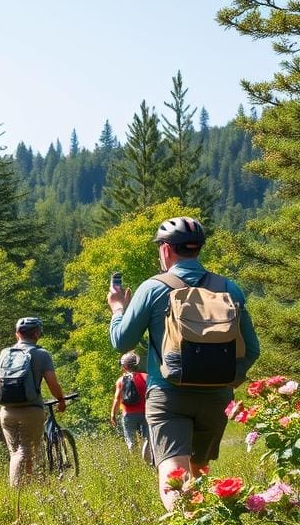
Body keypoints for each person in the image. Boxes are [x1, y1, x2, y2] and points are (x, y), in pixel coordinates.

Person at [107, 217, 260, 509]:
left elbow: (121, 342)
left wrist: (117, 309)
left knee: (173, 473)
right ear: (198, 248)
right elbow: (252, 349)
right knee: (199, 472)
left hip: (168, 395)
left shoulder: (153, 288)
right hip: (217, 398)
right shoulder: (230, 288)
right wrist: (227, 379)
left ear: (165, 250)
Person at [0, 317, 67, 486]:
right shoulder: (41, 354)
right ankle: (17, 493)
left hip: (6, 411)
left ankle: (27, 489)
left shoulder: (5, 353)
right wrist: (61, 400)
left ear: (17, 334)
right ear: (37, 334)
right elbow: (52, 382)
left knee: (17, 452)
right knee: (25, 451)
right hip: (31, 411)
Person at [110, 351, 151, 462]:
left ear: (124, 367)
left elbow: (117, 398)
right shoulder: (146, 377)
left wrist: (113, 414)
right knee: (148, 438)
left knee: (131, 439)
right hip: (145, 413)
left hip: (128, 414)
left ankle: (136, 461)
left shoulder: (120, 381)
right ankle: (149, 459)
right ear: (137, 364)